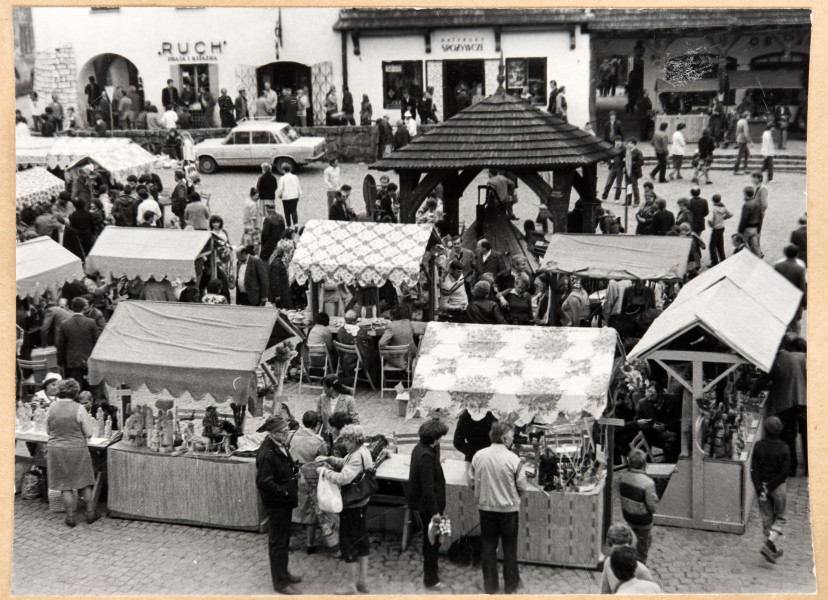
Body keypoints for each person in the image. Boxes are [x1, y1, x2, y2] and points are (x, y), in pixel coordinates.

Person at [469, 421, 527, 595]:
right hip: (508, 511)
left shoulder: (478, 456)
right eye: (511, 436)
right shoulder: (513, 459)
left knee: (488, 546)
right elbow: (522, 486)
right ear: (504, 438)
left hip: (486, 509)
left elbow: (471, 481)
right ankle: (510, 584)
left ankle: (490, 586)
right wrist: (513, 496)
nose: (513, 439)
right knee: (509, 547)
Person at [318, 425, 374, 594]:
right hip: (363, 501)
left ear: (354, 440)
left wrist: (324, 472)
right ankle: (363, 581)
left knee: (348, 541)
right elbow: (346, 463)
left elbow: (344, 478)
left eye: (346, 440)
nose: (344, 443)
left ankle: (350, 585)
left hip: (352, 504)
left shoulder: (356, 455)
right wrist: (330, 459)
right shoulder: (362, 450)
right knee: (362, 538)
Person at [255, 415, 302, 595]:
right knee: (277, 543)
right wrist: (284, 491)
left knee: (283, 541)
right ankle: (280, 583)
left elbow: (281, 467)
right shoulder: (267, 453)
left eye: (287, 431)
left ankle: (285, 573)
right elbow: (264, 482)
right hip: (277, 504)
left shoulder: (279, 444)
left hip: (284, 502)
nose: (286, 434)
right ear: (272, 433)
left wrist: (293, 472)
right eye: (283, 432)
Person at [46, 378, 99, 528]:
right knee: (84, 482)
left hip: (57, 449)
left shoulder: (51, 408)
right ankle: (90, 513)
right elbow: (88, 432)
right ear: (75, 392)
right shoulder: (79, 408)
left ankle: (70, 517)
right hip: (77, 448)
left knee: (65, 485)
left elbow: (48, 430)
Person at [407, 418, 450, 590]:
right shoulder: (427, 456)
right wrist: (435, 512)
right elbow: (427, 488)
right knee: (433, 541)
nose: (440, 440)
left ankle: (432, 568)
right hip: (430, 508)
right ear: (435, 438)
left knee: (430, 539)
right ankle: (431, 578)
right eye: (440, 437)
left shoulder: (419, 449)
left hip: (425, 506)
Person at [751, 416, 790, 564]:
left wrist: (760, 487)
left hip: (762, 486)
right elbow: (784, 473)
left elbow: (754, 470)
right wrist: (770, 487)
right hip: (777, 487)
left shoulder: (759, 445)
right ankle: (768, 545)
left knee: (767, 518)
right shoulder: (784, 448)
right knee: (781, 517)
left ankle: (771, 551)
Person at [287, 410, 328, 554]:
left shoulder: (292, 436)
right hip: (309, 477)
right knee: (310, 509)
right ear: (317, 425)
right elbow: (323, 460)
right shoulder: (318, 442)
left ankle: (287, 541)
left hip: (292, 475)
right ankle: (310, 543)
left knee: (290, 508)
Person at [616, 449, 658, 564]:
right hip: (643, 520)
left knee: (634, 539)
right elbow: (652, 505)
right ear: (644, 464)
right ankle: (639, 565)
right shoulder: (648, 483)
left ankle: (632, 556)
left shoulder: (624, 478)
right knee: (643, 546)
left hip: (629, 516)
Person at [600, 524, 657, 594]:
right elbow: (604, 592)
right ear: (609, 547)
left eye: (624, 549)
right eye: (616, 551)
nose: (621, 554)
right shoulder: (608, 563)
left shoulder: (642, 571)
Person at [55, 298, 99, 389]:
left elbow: (61, 346)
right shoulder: (91, 322)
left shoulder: (64, 324)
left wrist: (60, 362)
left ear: (71, 307)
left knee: (74, 388)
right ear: (84, 308)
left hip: (72, 362)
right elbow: (97, 343)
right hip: (88, 361)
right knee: (91, 388)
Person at [737, 187, 763, 257]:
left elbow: (743, 220)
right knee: (755, 246)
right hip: (755, 228)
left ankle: (747, 259)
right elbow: (760, 217)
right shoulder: (758, 203)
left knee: (743, 245)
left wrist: (740, 232)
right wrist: (759, 229)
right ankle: (758, 258)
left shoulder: (746, 205)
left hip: (747, 228)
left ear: (746, 194)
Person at [707, 194, 733, 266]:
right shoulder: (723, 207)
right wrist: (724, 218)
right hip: (721, 227)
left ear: (713, 200)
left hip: (715, 228)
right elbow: (730, 214)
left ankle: (715, 261)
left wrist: (711, 225)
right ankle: (723, 258)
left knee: (712, 246)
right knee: (720, 244)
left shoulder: (713, 208)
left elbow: (710, 220)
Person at [277, 163, 301, 227]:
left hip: (286, 197)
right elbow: (298, 186)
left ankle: (288, 226)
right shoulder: (295, 177)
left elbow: (280, 188)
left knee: (286, 211)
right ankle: (296, 224)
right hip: (294, 196)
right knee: (294, 210)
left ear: (283, 170)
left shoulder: (282, 178)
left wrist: (279, 195)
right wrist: (299, 194)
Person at [601, 136, 625, 202]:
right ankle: (604, 196)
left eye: (619, 141)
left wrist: (623, 162)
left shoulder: (624, 149)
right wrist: (610, 161)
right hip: (613, 168)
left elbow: (626, 158)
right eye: (617, 141)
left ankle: (617, 198)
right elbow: (607, 157)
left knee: (618, 184)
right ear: (614, 142)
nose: (618, 143)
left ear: (621, 142)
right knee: (608, 183)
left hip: (620, 168)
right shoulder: (611, 149)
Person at [625, 137, 644, 206]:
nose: (628, 144)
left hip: (634, 172)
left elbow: (641, 162)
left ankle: (636, 201)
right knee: (628, 186)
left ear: (633, 144)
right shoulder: (628, 152)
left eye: (629, 143)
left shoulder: (638, 152)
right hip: (628, 171)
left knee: (634, 186)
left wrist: (631, 163)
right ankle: (628, 201)